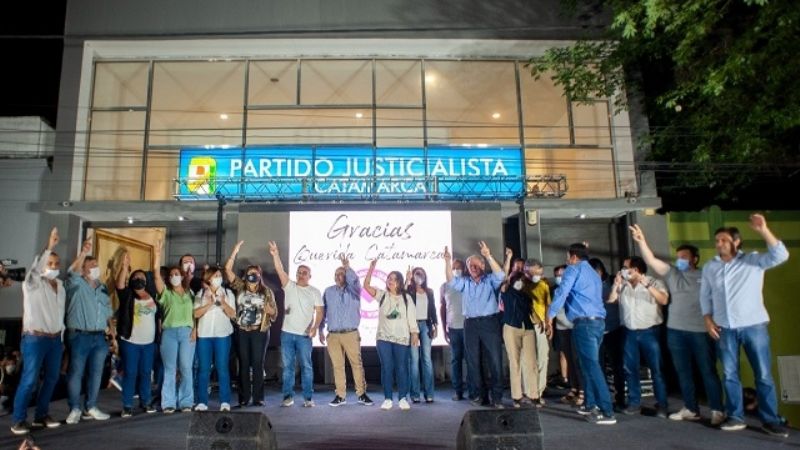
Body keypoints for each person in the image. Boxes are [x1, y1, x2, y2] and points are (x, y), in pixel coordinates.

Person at [700, 213, 789, 437]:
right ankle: (735, 416)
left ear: (736, 242)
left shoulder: (753, 260)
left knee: (763, 374)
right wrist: (707, 319)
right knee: (729, 374)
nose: (719, 243)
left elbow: (781, 255)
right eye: (717, 240)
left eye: (723, 239)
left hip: (753, 326)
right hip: (724, 328)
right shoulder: (711, 267)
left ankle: (770, 419)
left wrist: (763, 230)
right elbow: (705, 295)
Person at [629, 224, 725, 425]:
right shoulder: (672, 274)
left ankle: (717, 409)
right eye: (678, 256)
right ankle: (690, 408)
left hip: (700, 330)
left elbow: (718, 299)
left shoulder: (705, 275)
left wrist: (716, 322)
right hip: (675, 331)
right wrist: (641, 241)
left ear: (694, 259)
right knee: (683, 371)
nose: (680, 260)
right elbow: (652, 261)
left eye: (684, 257)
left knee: (707, 370)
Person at [547, 243, 616, 425]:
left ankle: (607, 411)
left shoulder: (573, 269)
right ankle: (590, 404)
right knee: (586, 365)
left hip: (584, 323)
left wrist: (550, 315)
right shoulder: (593, 272)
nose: (567, 260)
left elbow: (562, 292)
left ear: (574, 257)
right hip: (596, 322)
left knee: (592, 366)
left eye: (568, 256)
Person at [10, 228, 65, 435]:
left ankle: (41, 415)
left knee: (52, 378)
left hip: (54, 340)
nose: (53, 267)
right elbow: (35, 269)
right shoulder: (32, 283)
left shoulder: (60, 285)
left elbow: (59, 315)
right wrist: (49, 246)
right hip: (35, 338)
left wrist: (61, 337)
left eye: (56, 264)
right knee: (30, 379)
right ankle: (18, 419)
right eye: (49, 263)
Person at [444, 242, 505, 408]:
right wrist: (447, 262)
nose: (473, 267)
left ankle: (497, 397)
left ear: (483, 265)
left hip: (489, 323)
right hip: (470, 324)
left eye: (477, 264)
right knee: (473, 361)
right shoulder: (465, 282)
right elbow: (450, 281)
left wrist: (488, 255)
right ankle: (478, 395)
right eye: (470, 265)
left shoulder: (490, 280)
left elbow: (501, 275)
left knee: (494, 360)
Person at [607, 256, 670, 418]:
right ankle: (634, 403)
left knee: (657, 369)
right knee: (630, 369)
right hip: (629, 332)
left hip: (650, 332)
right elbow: (611, 300)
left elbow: (663, 300)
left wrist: (646, 285)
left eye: (625, 267)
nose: (622, 270)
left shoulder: (654, 282)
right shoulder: (623, 285)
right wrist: (616, 285)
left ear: (636, 270)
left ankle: (662, 405)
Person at [64, 235, 114, 425]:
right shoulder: (76, 284)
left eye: (96, 264)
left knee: (96, 373)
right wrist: (83, 252)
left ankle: (91, 406)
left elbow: (108, 311)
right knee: (76, 372)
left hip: (99, 337)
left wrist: (112, 333)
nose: (95, 267)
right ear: (84, 269)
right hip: (79, 335)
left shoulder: (102, 288)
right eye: (91, 265)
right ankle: (74, 408)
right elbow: (72, 273)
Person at [269, 241, 324, 408]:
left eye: (304, 272)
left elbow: (320, 312)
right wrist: (275, 255)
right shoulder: (290, 286)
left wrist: (314, 328)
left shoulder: (314, 291)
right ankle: (288, 396)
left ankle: (308, 397)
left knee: (307, 366)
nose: (301, 274)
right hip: (287, 334)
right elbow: (280, 270)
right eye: (299, 272)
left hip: (304, 336)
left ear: (310, 275)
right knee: (288, 367)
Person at [224, 241, 277, 407]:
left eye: (255, 273)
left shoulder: (266, 291)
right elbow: (227, 270)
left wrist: (270, 311)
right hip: (242, 330)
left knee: (257, 363)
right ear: (245, 275)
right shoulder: (240, 287)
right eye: (249, 273)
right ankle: (244, 397)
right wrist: (235, 251)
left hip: (259, 332)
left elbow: (274, 312)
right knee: (244, 364)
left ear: (260, 275)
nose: (252, 276)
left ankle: (258, 397)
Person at [364, 259, 420, 411]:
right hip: (384, 338)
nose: (391, 281)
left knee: (402, 368)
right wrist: (371, 268)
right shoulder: (382, 295)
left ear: (400, 282)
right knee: (387, 368)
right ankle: (388, 398)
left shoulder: (406, 298)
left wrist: (414, 333)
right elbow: (366, 286)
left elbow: (411, 317)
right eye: (389, 278)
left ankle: (402, 397)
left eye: (395, 279)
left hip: (402, 338)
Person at [318, 255, 372, 407]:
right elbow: (323, 312)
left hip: (350, 333)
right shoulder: (328, 291)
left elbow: (354, 280)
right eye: (336, 274)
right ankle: (340, 395)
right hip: (333, 335)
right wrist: (320, 330)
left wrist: (347, 267)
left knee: (356, 364)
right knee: (337, 366)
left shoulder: (354, 291)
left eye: (341, 274)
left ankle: (361, 394)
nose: (338, 277)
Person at [115, 252, 160, 417]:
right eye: (136, 277)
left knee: (146, 373)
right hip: (131, 341)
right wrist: (125, 267)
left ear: (146, 281)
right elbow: (119, 285)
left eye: (142, 277)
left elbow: (158, 317)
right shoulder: (127, 295)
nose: (139, 279)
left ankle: (146, 402)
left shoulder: (153, 296)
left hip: (149, 343)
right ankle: (127, 405)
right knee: (131, 372)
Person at [153, 240, 196, 414]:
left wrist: (195, 330)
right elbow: (156, 276)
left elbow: (196, 314)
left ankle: (186, 402)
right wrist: (157, 256)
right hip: (169, 333)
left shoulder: (190, 293)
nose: (175, 276)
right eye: (172, 274)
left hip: (187, 332)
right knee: (170, 369)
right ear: (169, 278)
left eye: (177, 273)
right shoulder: (166, 293)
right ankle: (168, 402)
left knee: (186, 367)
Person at [193, 266, 236, 411]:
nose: (218, 278)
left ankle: (224, 401)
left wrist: (223, 303)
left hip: (222, 335)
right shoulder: (200, 293)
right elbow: (196, 314)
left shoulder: (228, 293)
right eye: (215, 276)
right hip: (204, 335)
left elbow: (232, 314)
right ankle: (202, 401)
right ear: (208, 279)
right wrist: (210, 303)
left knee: (222, 368)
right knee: (204, 369)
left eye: (219, 275)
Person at [588, 258, 625, 411]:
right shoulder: (588, 286)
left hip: (613, 329)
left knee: (617, 367)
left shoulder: (611, 281)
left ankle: (620, 398)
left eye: (597, 272)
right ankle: (602, 399)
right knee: (598, 367)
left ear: (602, 270)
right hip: (596, 331)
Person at [500, 271, 539, 408]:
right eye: (517, 280)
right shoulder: (506, 291)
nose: (520, 283)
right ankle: (517, 396)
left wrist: (541, 322)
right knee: (514, 362)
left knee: (531, 362)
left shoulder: (527, 296)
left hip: (527, 328)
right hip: (511, 327)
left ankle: (534, 394)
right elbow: (502, 277)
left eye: (522, 280)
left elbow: (531, 312)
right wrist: (509, 260)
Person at [440, 258, 472, 401]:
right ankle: (458, 391)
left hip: (468, 327)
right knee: (455, 360)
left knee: (471, 360)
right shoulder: (445, 286)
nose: (456, 270)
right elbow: (442, 307)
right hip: (453, 327)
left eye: (459, 267)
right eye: (454, 267)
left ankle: (473, 390)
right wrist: (443, 327)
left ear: (464, 269)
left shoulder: (468, 283)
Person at [406, 266, 437, 403]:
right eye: (416, 274)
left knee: (426, 359)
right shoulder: (410, 291)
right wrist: (407, 280)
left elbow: (433, 309)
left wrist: (435, 325)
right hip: (412, 326)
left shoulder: (429, 292)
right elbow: (403, 297)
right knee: (414, 360)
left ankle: (429, 393)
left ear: (425, 276)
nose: (419, 276)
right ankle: (415, 394)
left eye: (421, 273)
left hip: (426, 325)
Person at [525, 258, 551, 406]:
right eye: (535, 273)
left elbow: (548, 305)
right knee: (527, 361)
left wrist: (549, 324)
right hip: (525, 326)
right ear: (527, 271)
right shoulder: (520, 285)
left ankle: (539, 392)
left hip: (540, 327)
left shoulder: (543, 285)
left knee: (543, 358)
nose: (538, 276)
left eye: (540, 273)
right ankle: (529, 392)